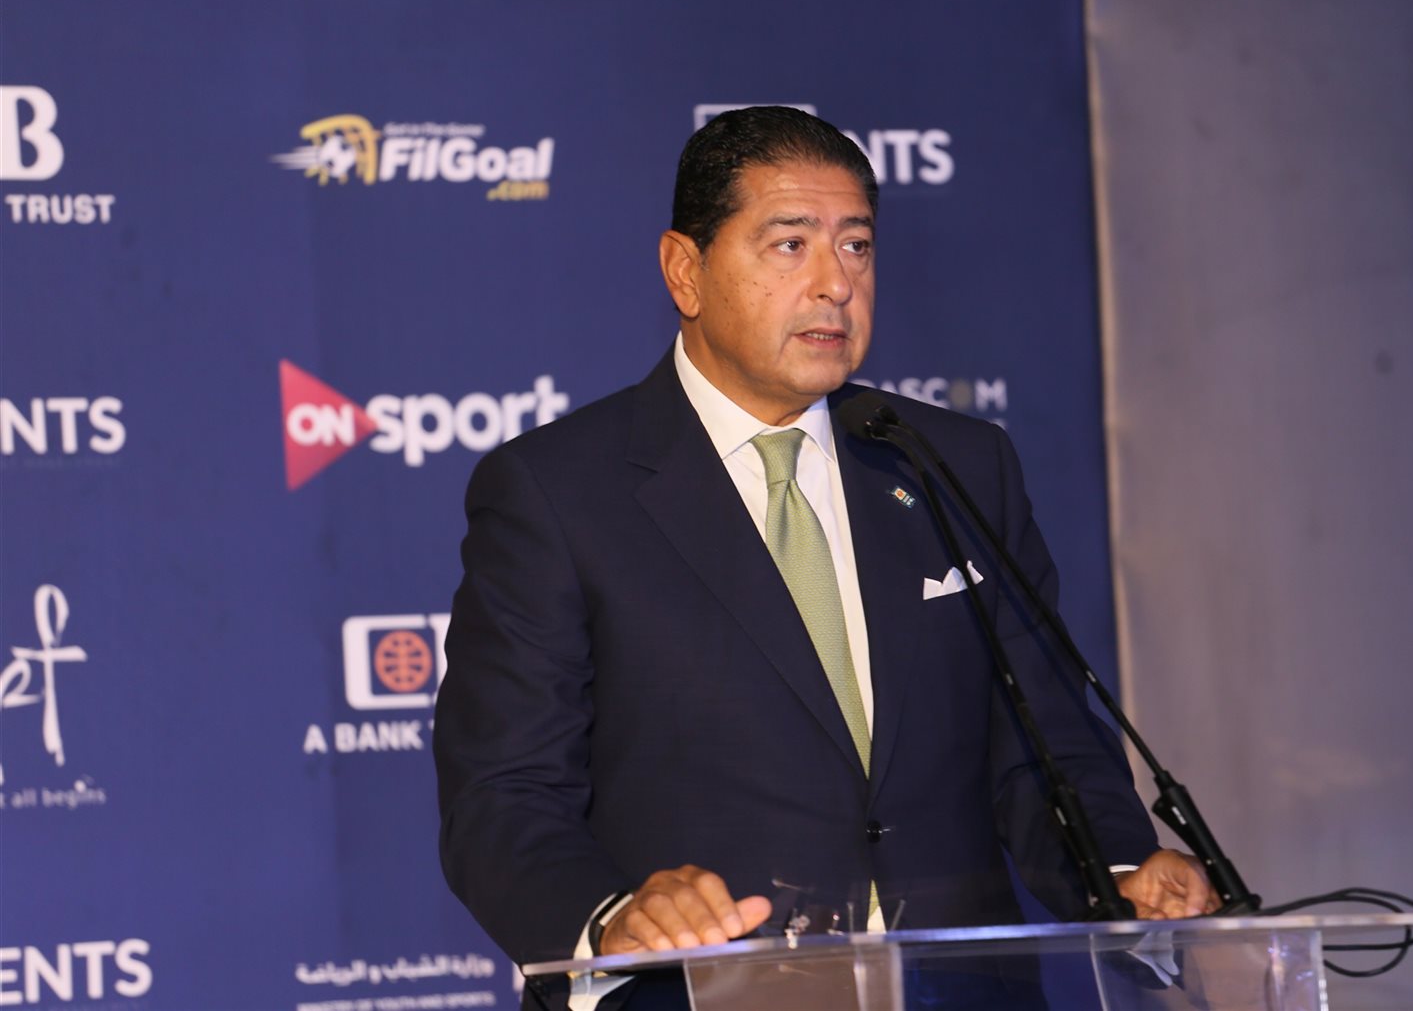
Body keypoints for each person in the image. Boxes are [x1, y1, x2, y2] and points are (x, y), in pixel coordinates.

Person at [433, 106, 1216, 1010]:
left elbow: (1045, 743)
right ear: (685, 271)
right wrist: (613, 919)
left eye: (856, 246)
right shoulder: (559, 490)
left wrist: (1117, 873)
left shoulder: (954, 464)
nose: (835, 284)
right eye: (790, 245)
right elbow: (504, 794)